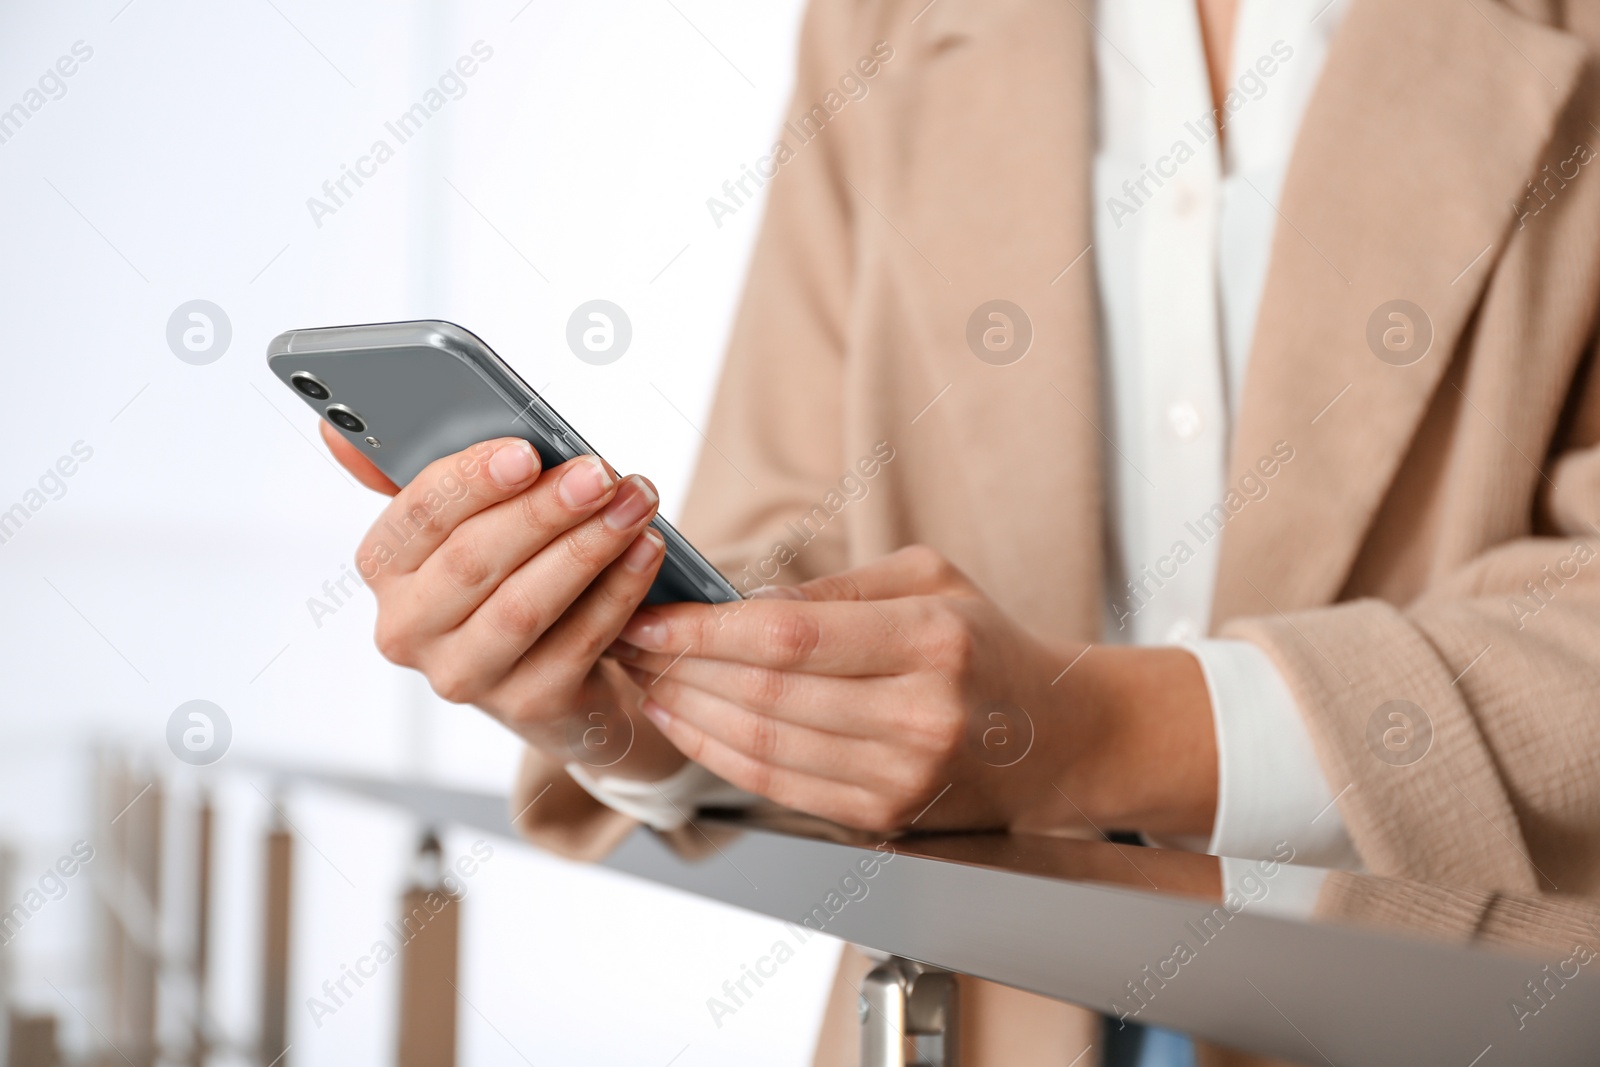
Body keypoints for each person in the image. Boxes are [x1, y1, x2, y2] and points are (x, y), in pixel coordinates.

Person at [324, 0, 1600, 1062]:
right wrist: (609, 691)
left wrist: (1091, 731)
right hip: (966, 1016)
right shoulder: (881, 22)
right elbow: (797, 545)